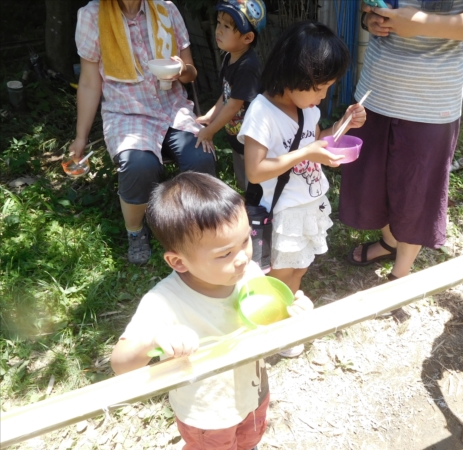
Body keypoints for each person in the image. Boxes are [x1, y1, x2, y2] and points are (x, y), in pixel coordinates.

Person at [110, 172, 313, 450]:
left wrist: (291, 317)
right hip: (208, 412)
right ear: (179, 262)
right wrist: (155, 340)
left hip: (253, 388)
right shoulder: (164, 302)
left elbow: (268, 323)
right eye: (225, 254)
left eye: (245, 241)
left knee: (249, 436)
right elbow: (120, 364)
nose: (243, 258)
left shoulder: (249, 273)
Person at [340, 0, 463, 321]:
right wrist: (372, 20)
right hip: (375, 91)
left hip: (431, 103)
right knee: (376, 181)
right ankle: (389, 242)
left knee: (416, 193)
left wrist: (421, 23)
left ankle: (400, 276)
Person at [238, 21, 366, 357]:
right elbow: (254, 171)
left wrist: (342, 127)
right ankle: (276, 331)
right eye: (320, 87)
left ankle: (285, 318)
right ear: (296, 75)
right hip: (283, 211)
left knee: (300, 266)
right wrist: (307, 153)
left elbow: (317, 141)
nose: (324, 96)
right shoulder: (261, 113)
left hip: (309, 203)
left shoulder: (308, 108)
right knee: (280, 275)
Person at [71, 0, 216, 265]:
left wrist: (181, 70)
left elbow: (190, 72)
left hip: (172, 108)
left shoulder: (166, 9)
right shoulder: (93, 16)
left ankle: (198, 226)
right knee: (139, 165)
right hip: (127, 113)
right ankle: (135, 231)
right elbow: (90, 83)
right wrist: (80, 138)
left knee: (201, 158)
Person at [195, 0, 265, 191]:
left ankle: (259, 213)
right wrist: (210, 116)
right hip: (237, 136)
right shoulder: (229, 56)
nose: (218, 30)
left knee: (257, 184)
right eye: (218, 23)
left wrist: (210, 131)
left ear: (248, 38)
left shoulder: (247, 66)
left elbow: (234, 104)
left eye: (226, 26)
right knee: (244, 181)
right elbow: (227, 94)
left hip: (252, 139)